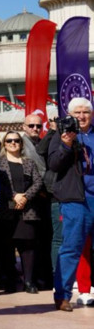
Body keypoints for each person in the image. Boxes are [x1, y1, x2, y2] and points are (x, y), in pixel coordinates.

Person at [49, 97, 94, 312]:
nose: (82, 116)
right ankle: (63, 295)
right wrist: (66, 144)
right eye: (77, 113)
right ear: (70, 115)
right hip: (76, 200)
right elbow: (54, 164)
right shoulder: (61, 135)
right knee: (71, 247)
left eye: (86, 112)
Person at [0, 131, 43, 294]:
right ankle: (10, 281)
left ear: (21, 144)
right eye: (9, 141)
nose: (13, 143)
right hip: (6, 211)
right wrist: (14, 196)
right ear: (4, 144)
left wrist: (25, 197)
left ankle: (29, 281)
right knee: (6, 247)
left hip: (27, 210)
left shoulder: (29, 163)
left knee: (28, 247)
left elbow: (37, 182)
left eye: (16, 141)